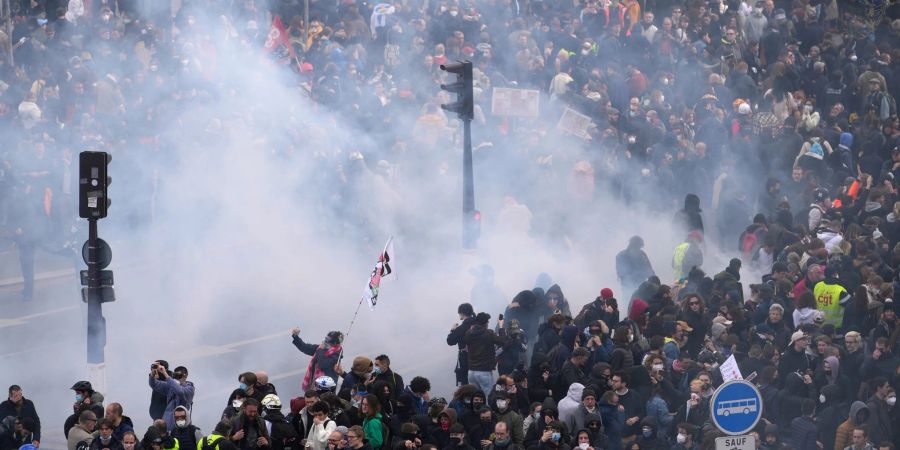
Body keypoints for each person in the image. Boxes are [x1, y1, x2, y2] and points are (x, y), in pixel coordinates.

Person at [465, 312, 506, 396]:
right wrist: (501, 326)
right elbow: (502, 341)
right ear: (485, 323)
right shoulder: (488, 333)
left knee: (475, 398)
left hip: (471, 371)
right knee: (489, 397)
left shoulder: (468, 333)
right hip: (484, 372)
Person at [149, 365, 195, 431]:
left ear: (185, 375)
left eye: (178, 375)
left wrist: (165, 374)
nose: (177, 377)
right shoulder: (170, 386)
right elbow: (153, 384)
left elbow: (180, 391)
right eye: (175, 375)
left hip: (181, 424)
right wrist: (152, 374)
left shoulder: (190, 389)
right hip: (167, 424)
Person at [447, 304, 477, 386]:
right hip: (480, 360)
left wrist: (452, 330)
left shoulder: (462, 327)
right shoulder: (479, 324)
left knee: (464, 386)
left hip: (465, 360)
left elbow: (450, 341)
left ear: (462, 313)